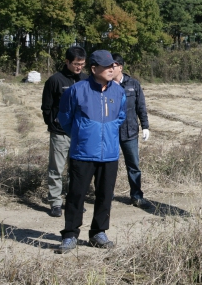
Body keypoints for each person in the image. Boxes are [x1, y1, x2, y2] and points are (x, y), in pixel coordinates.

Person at [56, 50, 126, 254]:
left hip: (110, 153)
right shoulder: (76, 90)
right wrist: (84, 135)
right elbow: (66, 118)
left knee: (105, 195)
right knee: (76, 195)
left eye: (113, 65)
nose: (112, 69)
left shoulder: (118, 92)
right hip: (82, 152)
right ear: (94, 69)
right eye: (107, 66)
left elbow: (120, 116)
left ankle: (98, 233)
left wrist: (109, 133)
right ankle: (70, 234)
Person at [41, 46, 87, 217]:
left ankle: (74, 201)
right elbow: (46, 107)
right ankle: (55, 202)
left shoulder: (86, 80)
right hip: (60, 133)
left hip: (79, 133)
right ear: (67, 61)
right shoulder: (55, 81)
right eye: (76, 64)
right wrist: (53, 124)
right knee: (56, 169)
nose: (79, 67)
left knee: (76, 170)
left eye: (82, 64)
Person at [111, 53, 150, 208]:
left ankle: (136, 196)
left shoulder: (133, 84)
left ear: (120, 67)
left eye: (112, 66)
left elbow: (141, 106)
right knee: (109, 166)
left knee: (133, 165)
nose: (110, 69)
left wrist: (145, 126)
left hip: (130, 132)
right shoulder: (104, 85)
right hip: (111, 133)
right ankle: (107, 196)